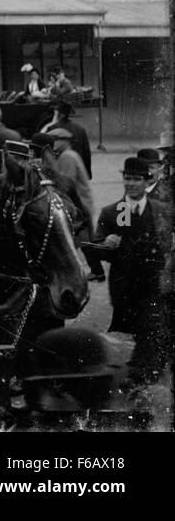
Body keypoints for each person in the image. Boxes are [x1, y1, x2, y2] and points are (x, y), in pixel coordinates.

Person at [91, 157, 172, 386]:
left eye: (136, 179)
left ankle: (140, 373)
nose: (131, 184)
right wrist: (106, 245)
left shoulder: (162, 211)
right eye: (127, 178)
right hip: (125, 285)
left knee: (151, 325)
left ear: (147, 181)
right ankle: (143, 368)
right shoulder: (113, 212)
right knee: (141, 327)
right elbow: (96, 247)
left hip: (155, 283)